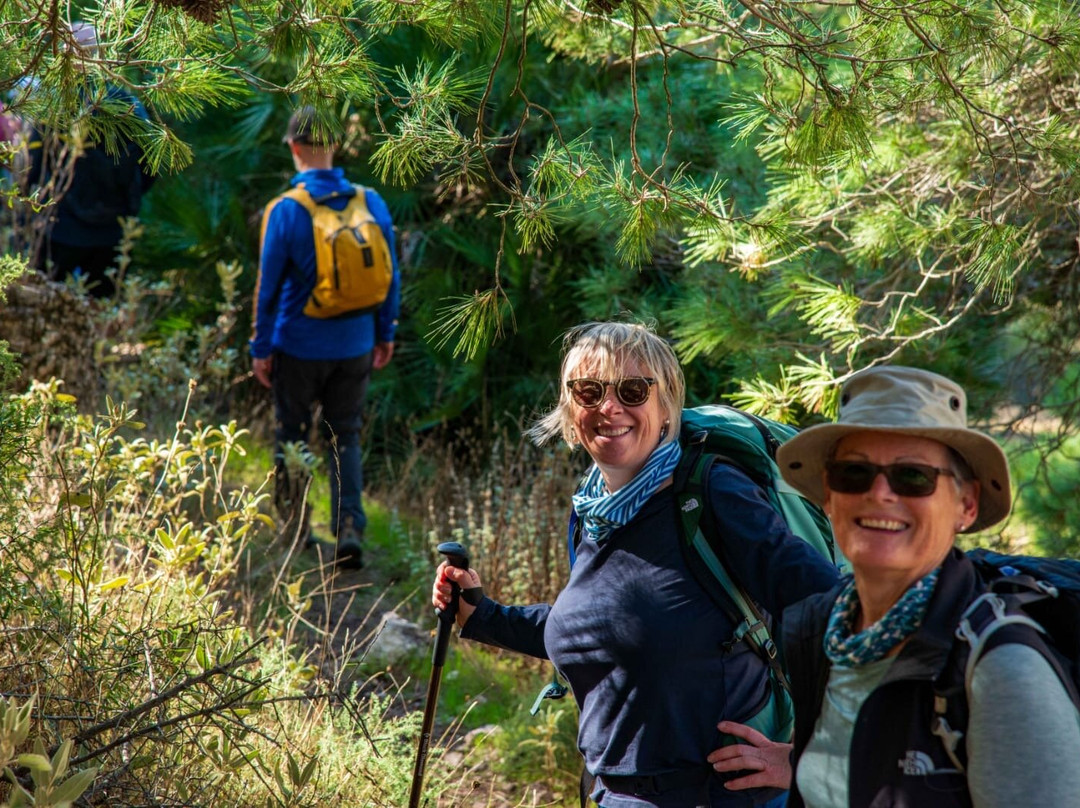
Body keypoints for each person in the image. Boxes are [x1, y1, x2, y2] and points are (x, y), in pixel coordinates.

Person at [431, 321, 841, 807]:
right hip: (613, 793)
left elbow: (829, 607)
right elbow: (607, 631)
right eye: (589, 391)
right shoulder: (591, 511)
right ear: (570, 408)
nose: (609, 407)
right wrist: (485, 617)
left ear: (666, 405)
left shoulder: (710, 492)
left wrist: (808, 757)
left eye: (632, 389)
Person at [717, 365, 1080, 806]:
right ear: (829, 496)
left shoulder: (999, 668)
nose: (881, 493)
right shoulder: (823, 628)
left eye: (913, 476)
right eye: (854, 473)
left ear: (965, 506)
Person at [251, 106, 401, 569]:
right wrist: (384, 332)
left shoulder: (286, 210)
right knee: (345, 435)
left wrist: (260, 348)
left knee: (291, 433)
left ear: (295, 148)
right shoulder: (370, 201)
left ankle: (296, 529)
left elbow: (268, 289)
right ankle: (350, 528)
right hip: (356, 343)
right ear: (334, 145)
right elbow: (392, 277)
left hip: (298, 346)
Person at [27, 22, 155, 298]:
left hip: (60, 227)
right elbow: (153, 161)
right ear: (98, 56)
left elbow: (33, 164)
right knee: (102, 310)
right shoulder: (127, 104)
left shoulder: (52, 104)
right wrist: (130, 196)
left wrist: (34, 207)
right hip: (112, 227)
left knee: (47, 308)